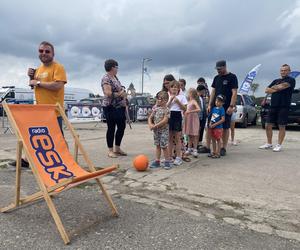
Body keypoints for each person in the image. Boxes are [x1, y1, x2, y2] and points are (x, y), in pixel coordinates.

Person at [13, 41, 67, 169]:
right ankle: (28, 160)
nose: (44, 53)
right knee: (38, 137)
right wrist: (30, 78)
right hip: (40, 112)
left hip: (54, 112)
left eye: (47, 51)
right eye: (41, 51)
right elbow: (33, 86)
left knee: (59, 140)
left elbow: (58, 85)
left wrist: (38, 83)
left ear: (53, 53)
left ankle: (67, 162)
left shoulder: (58, 67)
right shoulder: (38, 69)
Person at [259, 64, 296, 152]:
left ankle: (279, 145)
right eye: (282, 70)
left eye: (285, 70)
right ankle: (269, 143)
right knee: (268, 125)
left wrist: (275, 88)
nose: (283, 72)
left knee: (281, 126)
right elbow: (266, 90)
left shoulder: (291, 80)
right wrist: (277, 88)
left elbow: (281, 87)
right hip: (273, 106)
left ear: (289, 71)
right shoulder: (276, 80)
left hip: (284, 106)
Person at [208, 60, 238, 156]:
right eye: (217, 69)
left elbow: (234, 92)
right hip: (215, 106)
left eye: (220, 69)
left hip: (226, 107)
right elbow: (213, 91)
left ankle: (223, 148)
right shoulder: (216, 78)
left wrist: (231, 106)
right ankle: (212, 148)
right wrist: (209, 104)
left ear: (225, 67)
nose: (218, 71)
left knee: (225, 127)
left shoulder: (232, 77)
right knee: (212, 126)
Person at [101, 59, 127, 158]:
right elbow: (108, 93)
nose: (117, 69)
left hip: (120, 106)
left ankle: (117, 148)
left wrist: (123, 94)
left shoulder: (115, 77)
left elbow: (119, 90)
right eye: (116, 67)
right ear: (112, 67)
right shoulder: (106, 78)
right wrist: (120, 94)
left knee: (121, 127)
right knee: (111, 127)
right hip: (110, 106)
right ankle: (110, 150)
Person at [148, 91, 173, 170]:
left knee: (164, 146)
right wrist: (150, 124)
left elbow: (165, 120)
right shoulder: (156, 109)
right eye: (158, 99)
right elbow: (150, 117)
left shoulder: (167, 110)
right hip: (156, 131)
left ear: (165, 100)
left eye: (160, 99)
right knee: (157, 145)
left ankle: (167, 161)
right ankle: (157, 161)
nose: (158, 101)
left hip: (164, 131)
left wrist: (155, 126)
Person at [167, 80, 188, 166]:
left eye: (176, 87)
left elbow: (185, 108)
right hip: (169, 115)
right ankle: (169, 156)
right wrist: (171, 99)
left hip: (177, 116)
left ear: (179, 88)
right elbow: (166, 106)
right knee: (170, 137)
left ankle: (178, 157)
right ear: (170, 88)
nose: (174, 88)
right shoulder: (168, 96)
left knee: (177, 137)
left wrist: (178, 102)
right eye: (172, 87)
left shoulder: (182, 97)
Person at [184, 88, 201, 157]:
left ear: (191, 93)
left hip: (193, 118)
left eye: (188, 93)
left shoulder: (194, 101)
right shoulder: (189, 101)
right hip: (189, 118)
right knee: (189, 134)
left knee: (194, 135)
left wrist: (190, 112)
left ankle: (195, 149)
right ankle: (189, 148)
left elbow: (198, 109)